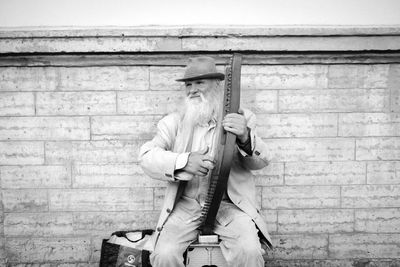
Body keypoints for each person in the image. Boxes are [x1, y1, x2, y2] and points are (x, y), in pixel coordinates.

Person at [139, 56, 272, 267]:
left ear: (218, 85)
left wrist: (245, 137)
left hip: (229, 206)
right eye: (189, 84)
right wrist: (183, 162)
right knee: (164, 254)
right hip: (187, 206)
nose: (192, 89)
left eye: (200, 82)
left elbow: (261, 161)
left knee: (249, 252)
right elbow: (146, 157)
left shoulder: (242, 118)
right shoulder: (173, 122)